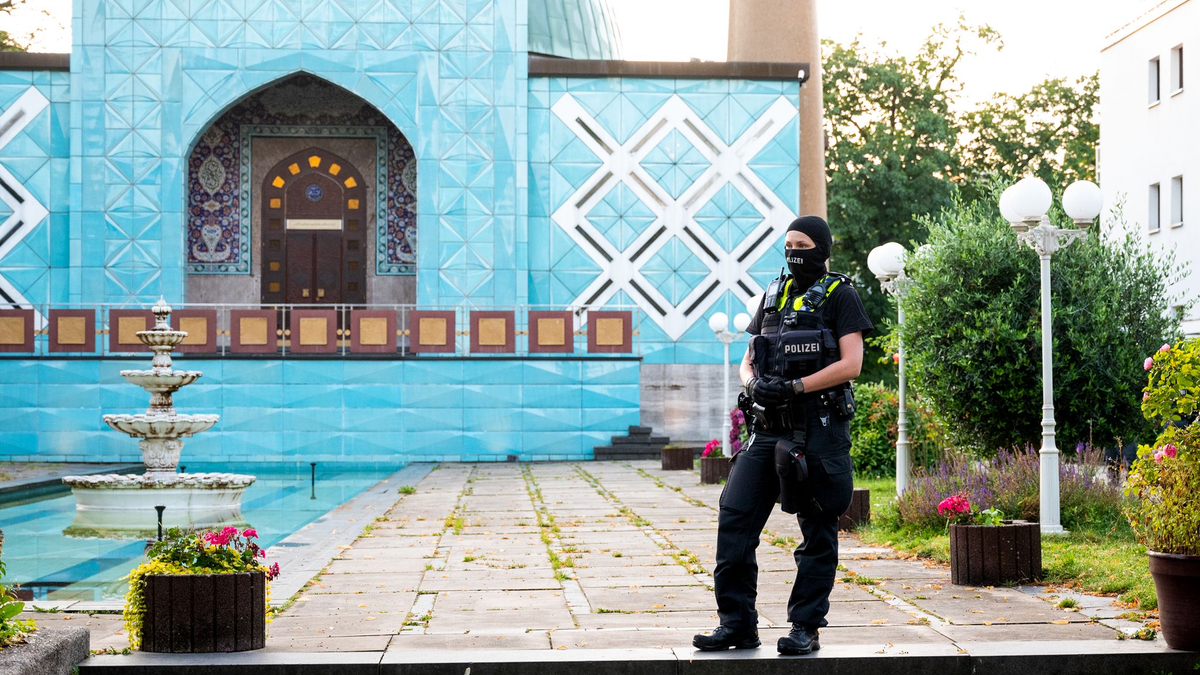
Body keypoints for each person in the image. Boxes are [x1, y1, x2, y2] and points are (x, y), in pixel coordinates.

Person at [693, 215, 873, 656]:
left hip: (816, 430)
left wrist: (797, 386)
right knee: (734, 521)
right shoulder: (773, 295)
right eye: (788, 244)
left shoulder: (841, 295)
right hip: (767, 430)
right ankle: (737, 625)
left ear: (822, 250)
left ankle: (804, 628)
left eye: (802, 245)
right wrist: (751, 382)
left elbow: (852, 364)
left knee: (817, 532)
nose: (793, 252)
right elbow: (749, 355)